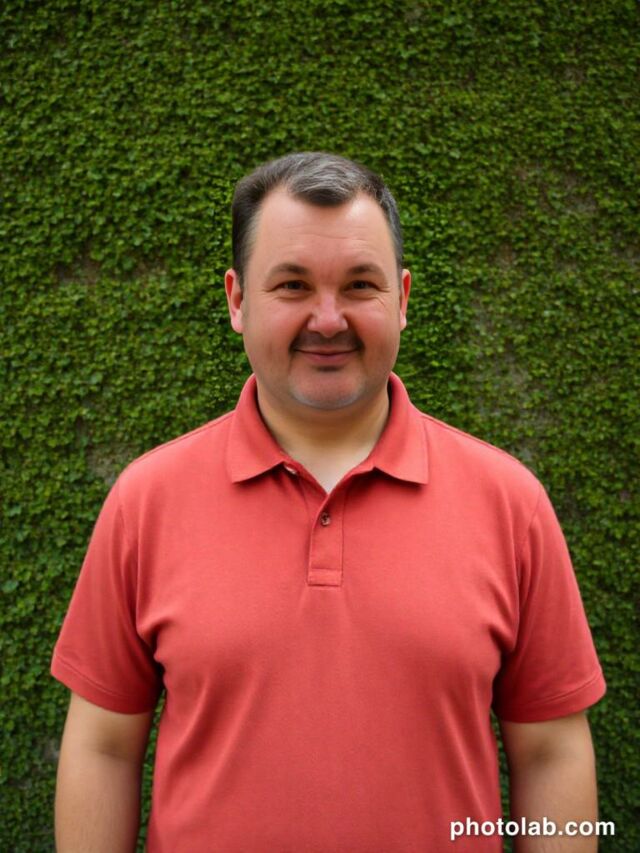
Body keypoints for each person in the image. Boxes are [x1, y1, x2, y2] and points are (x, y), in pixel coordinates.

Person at [52, 152, 606, 852]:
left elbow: (551, 750)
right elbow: (103, 745)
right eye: (292, 285)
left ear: (403, 298)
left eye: (359, 285)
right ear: (236, 300)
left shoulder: (510, 504)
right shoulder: (147, 501)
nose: (327, 319)